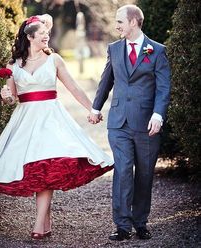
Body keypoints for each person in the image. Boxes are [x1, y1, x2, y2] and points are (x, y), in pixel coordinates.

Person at [0, 14, 113, 240]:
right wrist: (5, 95)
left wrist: (92, 109)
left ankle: (39, 225)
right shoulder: (14, 65)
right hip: (26, 120)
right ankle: (45, 224)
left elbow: (74, 88)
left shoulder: (55, 60)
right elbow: (12, 99)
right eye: (42, 35)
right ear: (29, 37)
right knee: (37, 169)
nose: (46, 37)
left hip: (51, 118)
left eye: (48, 34)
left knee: (47, 167)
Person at [88, 4, 171, 240]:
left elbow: (163, 88)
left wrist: (158, 115)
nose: (116, 26)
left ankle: (140, 222)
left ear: (133, 22)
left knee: (144, 174)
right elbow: (106, 81)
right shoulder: (114, 49)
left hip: (147, 124)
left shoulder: (157, 51)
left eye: (120, 22)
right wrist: (96, 108)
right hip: (118, 122)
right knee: (123, 171)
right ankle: (122, 226)